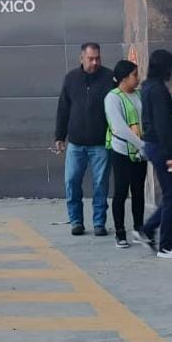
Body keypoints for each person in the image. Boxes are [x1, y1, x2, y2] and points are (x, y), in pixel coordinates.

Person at [54, 43, 115, 236]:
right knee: (71, 182)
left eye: (97, 58)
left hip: (100, 144)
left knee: (100, 185)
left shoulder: (108, 78)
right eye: (91, 58)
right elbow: (63, 109)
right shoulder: (71, 79)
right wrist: (59, 136)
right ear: (82, 58)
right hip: (76, 143)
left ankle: (99, 223)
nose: (95, 62)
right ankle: (76, 222)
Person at [135, 49, 172, 259]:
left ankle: (148, 230)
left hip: (155, 147)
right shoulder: (157, 90)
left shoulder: (148, 86)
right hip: (161, 148)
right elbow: (163, 126)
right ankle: (166, 245)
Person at [104, 60, 147, 248]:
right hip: (121, 151)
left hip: (140, 152)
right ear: (124, 78)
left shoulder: (139, 95)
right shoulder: (113, 97)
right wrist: (141, 144)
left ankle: (139, 228)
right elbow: (119, 128)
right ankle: (120, 232)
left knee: (139, 191)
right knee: (121, 191)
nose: (137, 78)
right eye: (134, 75)